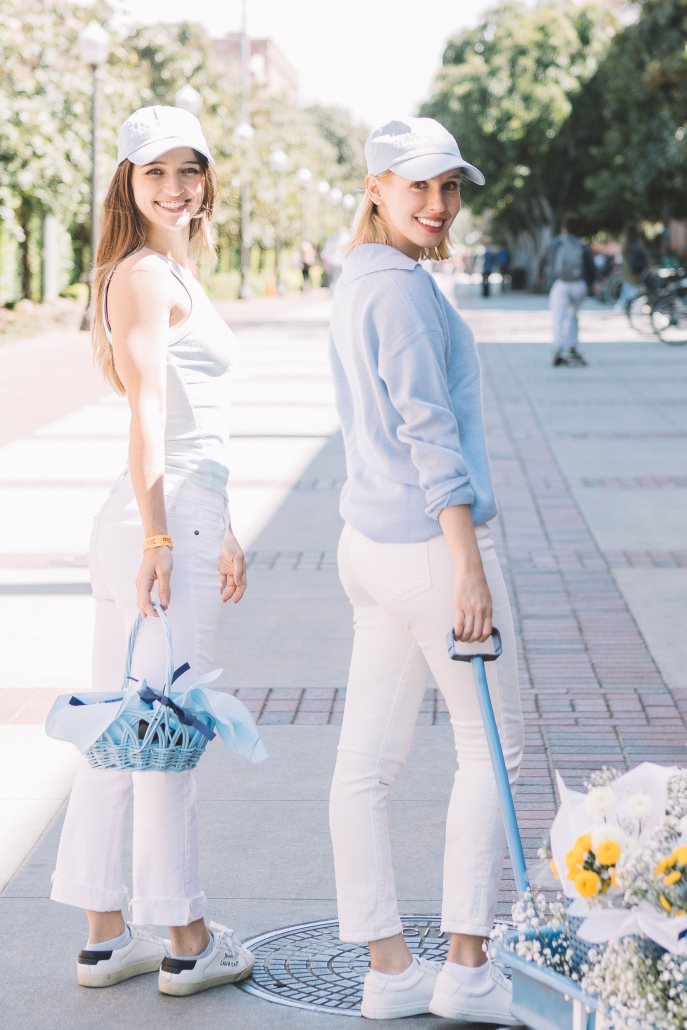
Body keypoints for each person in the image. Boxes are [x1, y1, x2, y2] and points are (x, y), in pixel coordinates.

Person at [50, 106, 258, 996]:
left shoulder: (164, 270)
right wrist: (167, 534)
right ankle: (186, 939)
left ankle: (106, 936)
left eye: (189, 170)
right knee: (166, 730)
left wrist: (223, 523)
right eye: (154, 172)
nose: (175, 188)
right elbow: (147, 412)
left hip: (163, 511)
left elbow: (190, 416)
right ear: (126, 184)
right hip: (158, 519)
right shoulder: (142, 276)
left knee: (120, 730)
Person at [328, 117, 524, 1023]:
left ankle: (387, 971)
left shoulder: (356, 278)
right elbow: (426, 430)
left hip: (368, 547)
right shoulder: (403, 290)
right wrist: (466, 565)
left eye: (450, 188)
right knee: (492, 750)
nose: (438, 205)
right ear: (375, 187)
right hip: (424, 546)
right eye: (418, 187)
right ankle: (467, 969)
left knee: (364, 768)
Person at [540, 213, 596, 367]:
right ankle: (572, 346)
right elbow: (591, 268)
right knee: (573, 315)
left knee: (558, 316)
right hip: (579, 285)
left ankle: (558, 346)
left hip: (561, 284)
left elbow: (544, 259)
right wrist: (589, 285)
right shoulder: (582, 245)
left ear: (564, 228)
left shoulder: (557, 242)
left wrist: (541, 276)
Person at [618, 223, 647, 312]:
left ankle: (626, 305)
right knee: (632, 286)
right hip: (636, 266)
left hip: (630, 266)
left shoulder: (625, 239)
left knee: (628, 286)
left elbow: (623, 252)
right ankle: (627, 305)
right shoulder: (637, 239)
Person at [322, 226, 350, 295]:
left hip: (343, 263)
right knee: (334, 280)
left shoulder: (347, 238)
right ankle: (334, 294)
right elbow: (327, 250)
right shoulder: (332, 239)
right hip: (333, 262)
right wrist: (326, 260)